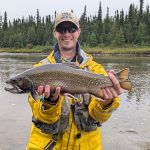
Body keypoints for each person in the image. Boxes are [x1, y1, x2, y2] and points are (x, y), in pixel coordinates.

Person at [26, 12, 122, 150]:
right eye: (61, 29)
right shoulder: (39, 70)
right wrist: (50, 102)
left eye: (71, 29)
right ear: (55, 33)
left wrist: (106, 102)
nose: (67, 34)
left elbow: (100, 117)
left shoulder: (95, 69)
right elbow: (40, 116)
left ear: (78, 32)